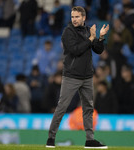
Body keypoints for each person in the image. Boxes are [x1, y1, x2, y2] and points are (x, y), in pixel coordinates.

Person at [46, 6, 109, 149]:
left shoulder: (88, 31)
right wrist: (91, 38)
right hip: (71, 76)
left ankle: (89, 140)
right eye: (72, 17)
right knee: (62, 107)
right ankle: (51, 138)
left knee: (88, 109)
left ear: (84, 18)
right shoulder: (68, 32)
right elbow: (75, 50)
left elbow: (98, 50)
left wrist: (100, 37)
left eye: (77, 17)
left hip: (87, 76)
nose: (74, 19)